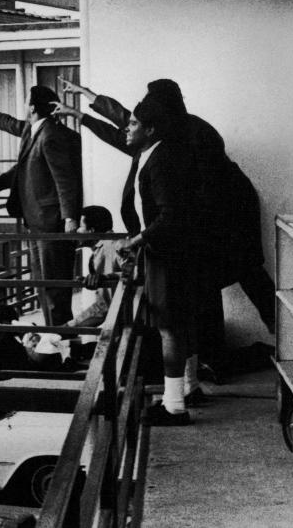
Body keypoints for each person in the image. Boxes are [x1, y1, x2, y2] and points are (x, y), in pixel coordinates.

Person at [56, 77, 275, 380]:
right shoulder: (171, 128)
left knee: (244, 284)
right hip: (208, 223)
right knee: (208, 293)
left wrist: (158, 232)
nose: (136, 122)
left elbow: (196, 192)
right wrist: (88, 105)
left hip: (228, 220)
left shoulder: (194, 135)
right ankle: (204, 368)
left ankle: (276, 348)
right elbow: (130, 126)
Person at [0, 86, 83, 325]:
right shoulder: (34, 129)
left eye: (26, 101)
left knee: (54, 287)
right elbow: (9, 125)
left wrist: (71, 218)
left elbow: (65, 179)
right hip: (37, 220)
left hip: (51, 222)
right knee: (43, 284)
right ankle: (54, 339)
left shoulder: (51, 136)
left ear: (32, 107)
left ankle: (62, 341)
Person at [117, 97, 195, 426]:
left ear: (150, 129)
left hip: (167, 254)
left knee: (168, 327)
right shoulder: (153, 154)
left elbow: (171, 215)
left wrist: (136, 240)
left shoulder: (160, 160)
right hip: (166, 252)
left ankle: (175, 405)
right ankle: (184, 389)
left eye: (133, 123)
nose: (126, 127)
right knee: (175, 325)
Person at [67, 205, 126, 329]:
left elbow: (136, 273)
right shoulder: (100, 251)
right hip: (120, 321)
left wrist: (106, 278)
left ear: (92, 230)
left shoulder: (114, 245)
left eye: (81, 227)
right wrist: (67, 327)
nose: (77, 231)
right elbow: (102, 306)